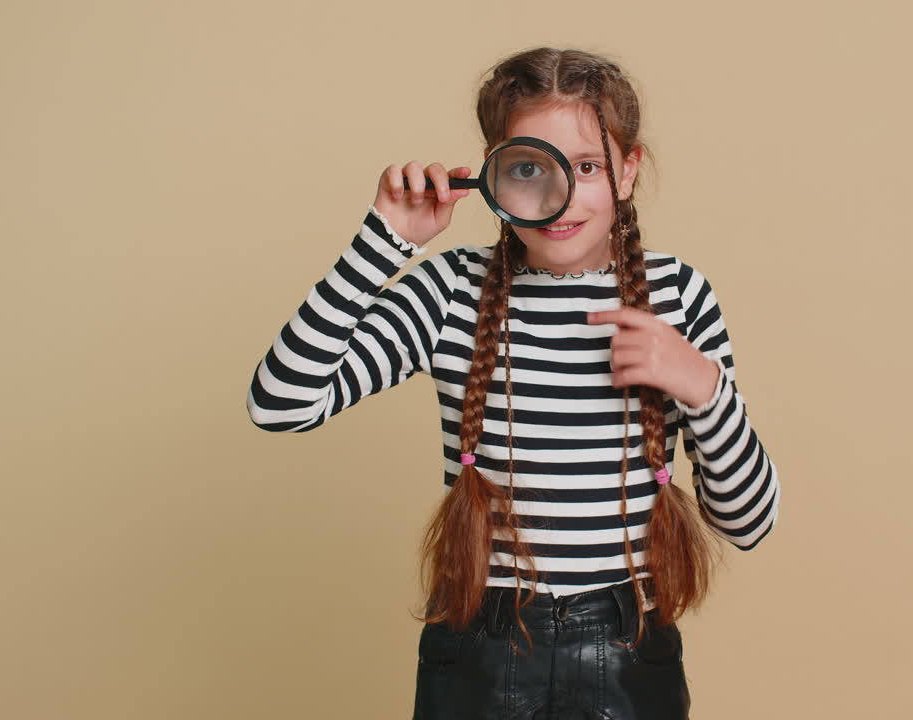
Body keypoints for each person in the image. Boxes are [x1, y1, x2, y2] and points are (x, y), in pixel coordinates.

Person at [246, 47, 780, 720]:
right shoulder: (449, 291)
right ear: (493, 176)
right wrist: (385, 240)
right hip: (478, 653)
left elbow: (749, 521)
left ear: (628, 170)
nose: (558, 197)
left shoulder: (679, 295)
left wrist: (702, 386)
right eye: (528, 168)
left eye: (586, 167)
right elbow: (280, 402)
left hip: (628, 653)